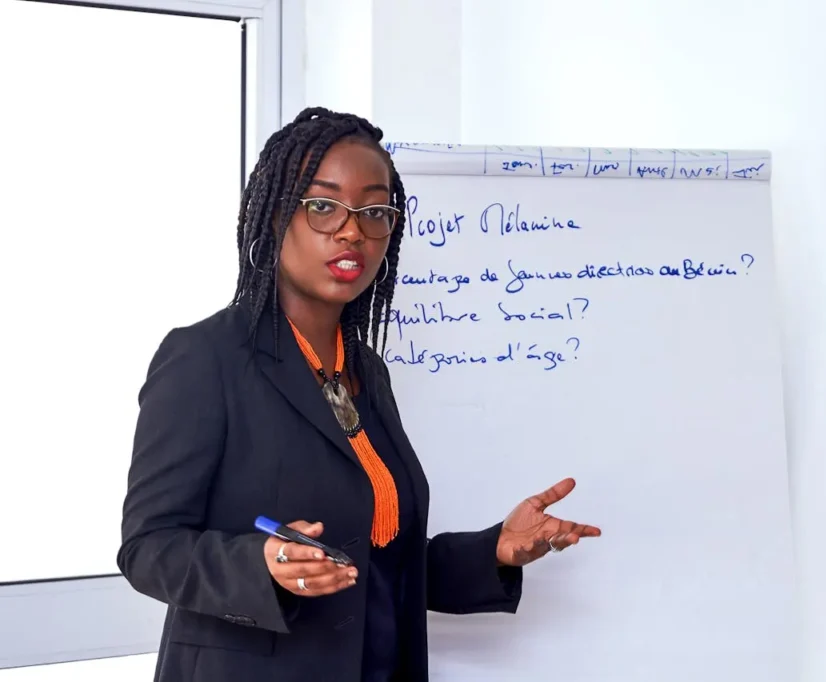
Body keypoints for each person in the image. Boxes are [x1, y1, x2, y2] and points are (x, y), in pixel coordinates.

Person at [116, 107, 601, 682]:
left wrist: (495, 549)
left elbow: (378, 565)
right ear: (275, 217)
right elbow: (148, 546)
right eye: (323, 206)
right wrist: (262, 565)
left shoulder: (365, 371)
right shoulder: (206, 358)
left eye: (374, 212)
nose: (352, 231)